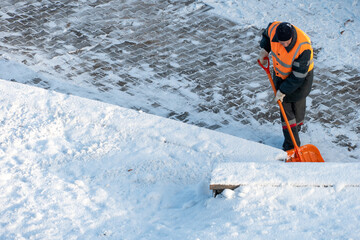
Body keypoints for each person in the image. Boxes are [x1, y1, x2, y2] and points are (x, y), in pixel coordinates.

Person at [258, 22, 314, 151]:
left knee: (298, 108)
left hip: (301, 80)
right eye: (281, 42)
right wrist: (264, 50)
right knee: (286, 114)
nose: (283, 45)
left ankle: (295, 130)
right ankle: (291, 146)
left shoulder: (303, 46)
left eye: (286, 42)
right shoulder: (274, 29)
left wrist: (282, 91)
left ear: (292, 37)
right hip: (280, 75)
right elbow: (267, 36)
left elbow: (297, 76)